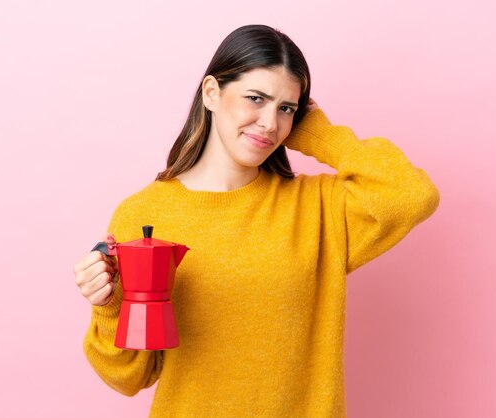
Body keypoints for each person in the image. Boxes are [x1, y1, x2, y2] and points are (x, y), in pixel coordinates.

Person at [73, 24, 440, 417]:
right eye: (255, 98)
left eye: (286, 108)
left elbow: (412, 195)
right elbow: (129, 378)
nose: (269, 123)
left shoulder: (318, 207)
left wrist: (321, 135)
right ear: (211, 92)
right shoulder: (144, 215)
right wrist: (108, 306)